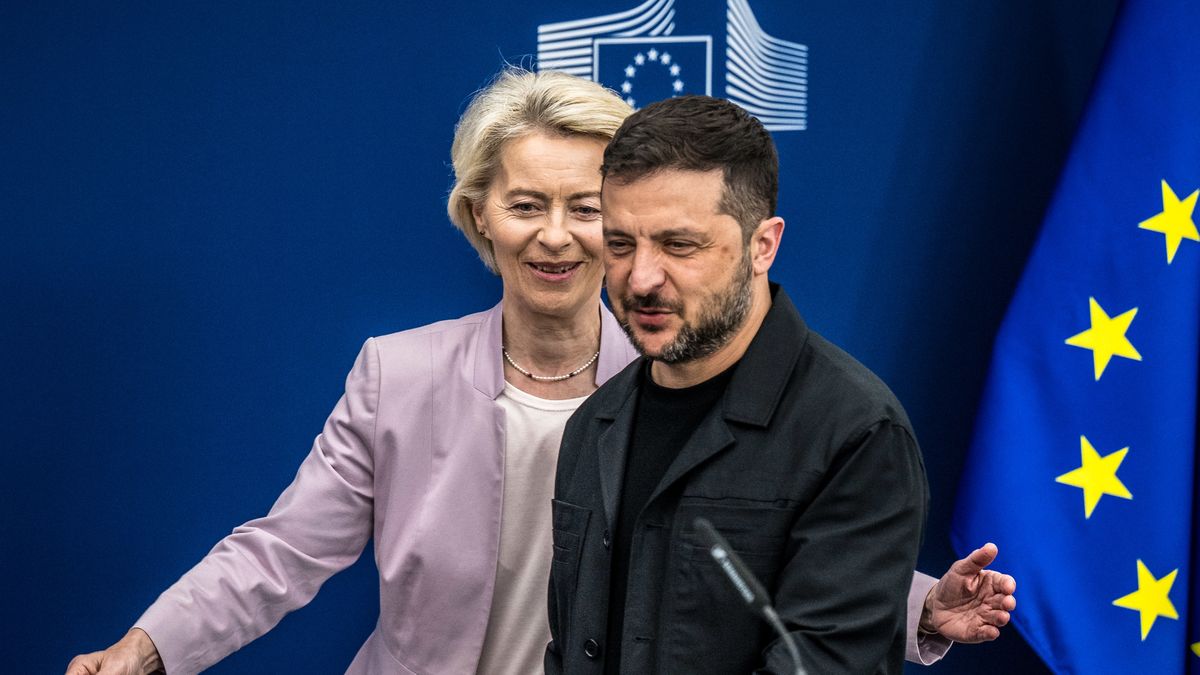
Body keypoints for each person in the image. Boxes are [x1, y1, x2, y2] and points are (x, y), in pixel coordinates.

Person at [66, 70, 1011, 675]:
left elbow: (752, 556)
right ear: (479, 215)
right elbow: (281, 551)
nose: (557, 236)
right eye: (525, 204)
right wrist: (148, 647)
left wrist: (919, 605)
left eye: (586, 207)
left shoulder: (685, 375)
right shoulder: (398, 373)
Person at [544, 94, 989, 674]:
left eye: (680, 245)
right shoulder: (594, 425)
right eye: (621, 244)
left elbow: (824, 664)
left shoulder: (855, 433)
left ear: (763, 245)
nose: (641, 277)